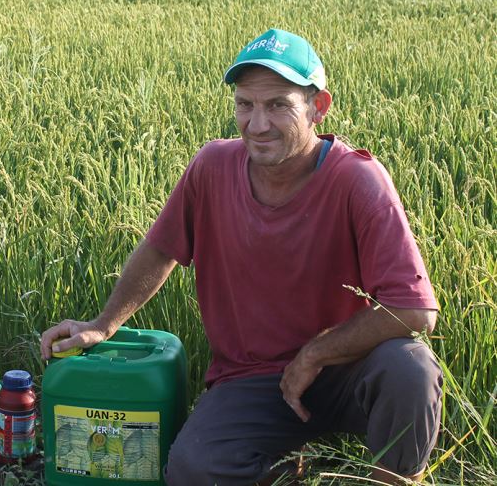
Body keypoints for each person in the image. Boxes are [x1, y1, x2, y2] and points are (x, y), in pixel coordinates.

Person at [40, 29, 442, 485]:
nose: (256, 123)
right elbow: (160, 247)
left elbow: (414, 309)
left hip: (346, 368)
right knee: (193, 470)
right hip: (252, 378)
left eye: (277, 105)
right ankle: (288, 474)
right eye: (245, 104)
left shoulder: (358, 180)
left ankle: (389, 480)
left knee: (411, 368)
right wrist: (102, 324)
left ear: (319, 106)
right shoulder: (212, 167)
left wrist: (314, 355)